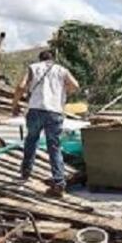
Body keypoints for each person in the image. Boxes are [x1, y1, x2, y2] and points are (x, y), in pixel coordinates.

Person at [12, 48, 79, 196]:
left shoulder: (33, 68)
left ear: (40, 59)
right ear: (53, 59)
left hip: (35, 110)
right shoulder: (61, 70)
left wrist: (15, 104)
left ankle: (25, 172)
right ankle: (59, 181)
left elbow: (21, 86)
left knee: (31, 139)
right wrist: (63, 91)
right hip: (54, 112)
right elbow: (75, 85)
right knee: (54, 146)